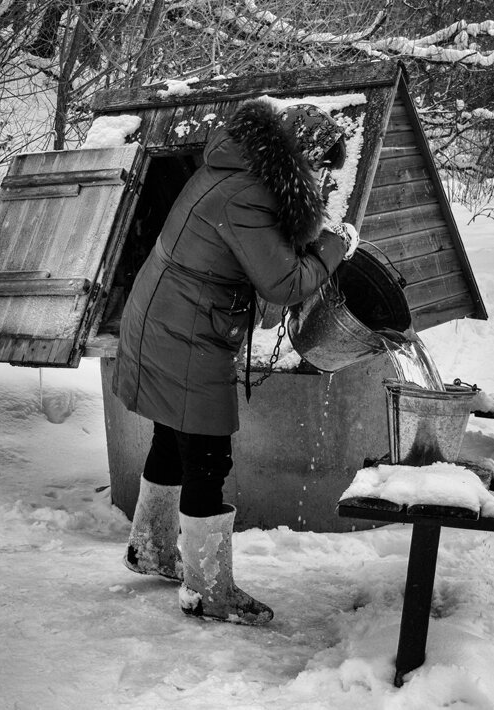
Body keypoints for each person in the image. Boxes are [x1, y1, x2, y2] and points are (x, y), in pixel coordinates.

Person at [112, 98, 359, 625]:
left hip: (166, 316)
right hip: (185, 331)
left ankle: (152, 548)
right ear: (295, 157)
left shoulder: (236, 165)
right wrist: (337, 247)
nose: (318, 177)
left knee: (171, 437)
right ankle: (208, 592)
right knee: (207, 457)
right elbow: (285, 282)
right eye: (316, 165)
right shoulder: (249, 193)